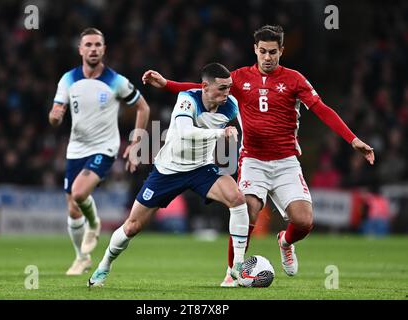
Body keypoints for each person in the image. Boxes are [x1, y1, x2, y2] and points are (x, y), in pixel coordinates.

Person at [142, 25, 375, 287]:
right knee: (246, 209)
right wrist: (167, 84)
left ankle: (285, 242)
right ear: (255, 49)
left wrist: (353, 139)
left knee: (304, 221)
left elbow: (322, 109)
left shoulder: (295, 80)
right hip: (253, 160)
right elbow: (202, 87)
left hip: (286, 162)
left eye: (273, 52)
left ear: (281, 51)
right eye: (262, 51)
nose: (267, 57)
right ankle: (232, 272)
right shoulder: (239, 78)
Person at [88, 62, 250, 287]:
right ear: (205, 87)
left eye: (229, 88)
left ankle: (237, 269)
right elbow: (185, 133)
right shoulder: (187, 99)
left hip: (201, 168)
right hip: (168, 171)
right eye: (222, 88)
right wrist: (220, 133)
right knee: (132, 226)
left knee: (237, 199)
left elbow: (249, 128)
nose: (227, 93)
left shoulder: (231, 105)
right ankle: (104, 266)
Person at [49, 28, 150, 275]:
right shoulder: (68, 79)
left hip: (104, 147)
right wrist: (54, 117)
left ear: (104, 49)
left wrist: (137, 143)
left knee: (79, 193)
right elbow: (56, 114)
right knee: (73, 208)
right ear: (81, 50)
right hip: (76, 148)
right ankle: (82, 258)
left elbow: (143, 108)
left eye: (98, 45)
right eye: (89, 45)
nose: (93, 49)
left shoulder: (116, 80)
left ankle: (94, 224)